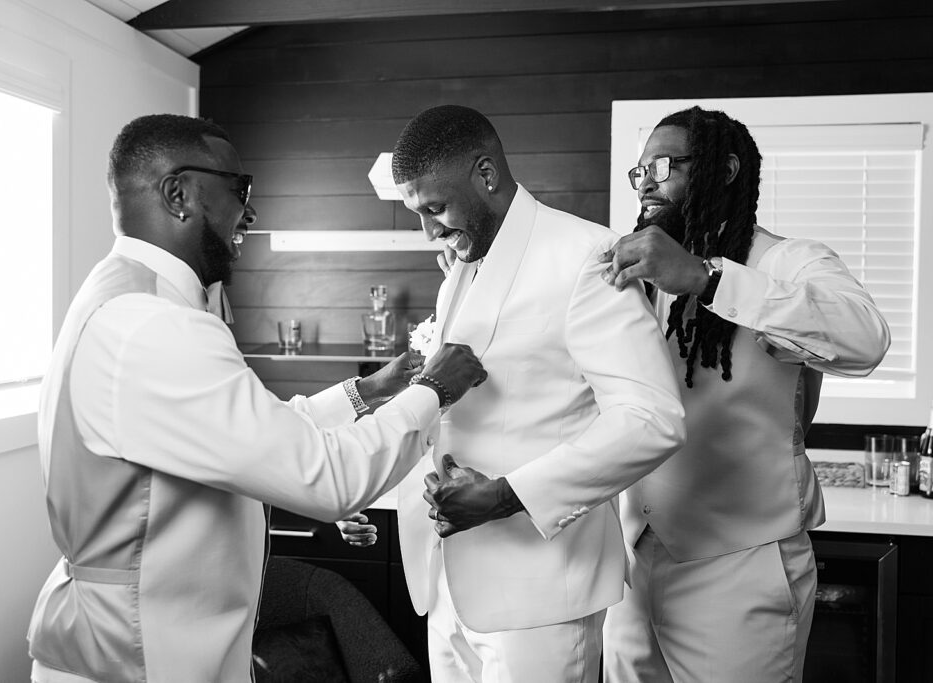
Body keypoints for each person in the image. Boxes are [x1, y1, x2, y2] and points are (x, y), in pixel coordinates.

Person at [26, 113, 487, 683]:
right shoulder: (153, 327)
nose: (250, 211)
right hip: (138, 652)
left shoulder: (127, 296)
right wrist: (433, 391)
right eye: (239, 190)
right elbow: (324, 478)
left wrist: (368, 391)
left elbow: (252, 430)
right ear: (180, 194)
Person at [341, 104, 686, 682]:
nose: (429, 230)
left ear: (486, 176)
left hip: (541, 594)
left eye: (435, 208)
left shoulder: (586, 258)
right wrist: (367, 485)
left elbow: (653, 419)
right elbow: (453, 416)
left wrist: (509, 496)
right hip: (447, 586)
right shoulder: (463, 265)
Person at [599, 106, 891, 682]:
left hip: (742, 566)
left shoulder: (789, 262)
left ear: (724, 170)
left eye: (664, 165)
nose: (649, 181)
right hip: (633, 561)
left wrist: (707, 280)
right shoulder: (635, 273)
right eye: (640, 171)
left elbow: (866, 337)